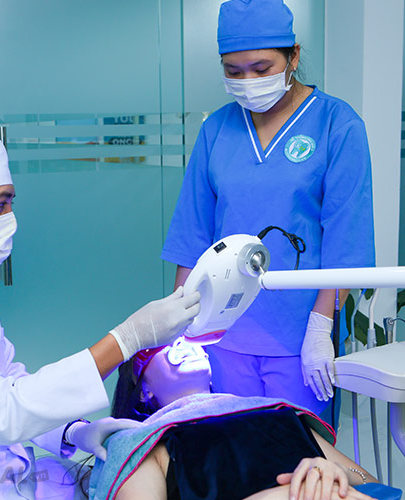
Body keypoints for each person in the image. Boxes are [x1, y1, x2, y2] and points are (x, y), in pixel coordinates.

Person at [0, 128, 200, 499]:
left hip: (6, 477)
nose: (10, 217)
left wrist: (72, 431)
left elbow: (8, 379)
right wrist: (126, 340)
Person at [160, 0, 375, 420]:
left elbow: (346, 237)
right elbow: (192, 232)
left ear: (293, 56)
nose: (248, 82)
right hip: (221, 332)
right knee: (232, 448)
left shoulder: (337, 124)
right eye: (234, 71)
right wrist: (178, 325)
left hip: (299, 334)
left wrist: (320, 327)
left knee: (299, 453)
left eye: (261, 68)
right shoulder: (217, 129)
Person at [85, 340, 401, 500]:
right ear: (143, 390)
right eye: (165, 345)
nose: (183, 344)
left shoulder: (274, 411)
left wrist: (331, 472)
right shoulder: (138, 442)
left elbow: (370, 483)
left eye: (187, 338)